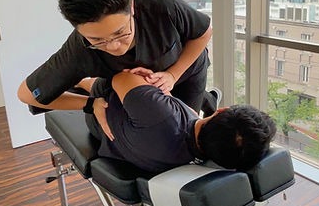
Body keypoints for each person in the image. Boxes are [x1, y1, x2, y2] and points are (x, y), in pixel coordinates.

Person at [17, 0, 218, 140]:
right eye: (97, 40)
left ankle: (206, 98)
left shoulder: (162, 6)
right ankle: (86, 83)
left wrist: (173, 75)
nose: (113, 46)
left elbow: (204, 32)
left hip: (185, 71)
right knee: (168, 133)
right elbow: (27, 95)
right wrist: (89, 104)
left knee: (188, 130)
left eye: (121, 33)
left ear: (132, 7)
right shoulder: (79, 50)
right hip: (130, 87)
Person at [85, 71, 276, 173]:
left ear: (221, 110)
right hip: (129, 143)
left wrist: (151, 82)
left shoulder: (162, 115)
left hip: (101, 113)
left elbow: (120, 78)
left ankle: (82, 83)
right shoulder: (201, 154)